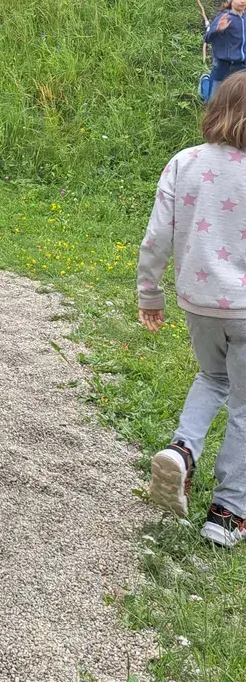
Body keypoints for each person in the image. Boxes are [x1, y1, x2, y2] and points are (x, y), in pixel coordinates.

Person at [138, 71, 246, 548]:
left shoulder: (185, 162)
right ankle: (228, 512)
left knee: (212, 377)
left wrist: (150, 293)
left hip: (199, 303)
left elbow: (157, 236)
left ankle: (182, 450)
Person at [204, 0, 246, 93]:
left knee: (238, 94)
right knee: (215, 95)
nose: (242, 1)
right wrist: (218, 30)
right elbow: (207, 38)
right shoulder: (225, 17)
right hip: (223, 65)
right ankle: (205, 83)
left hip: (241, 65)